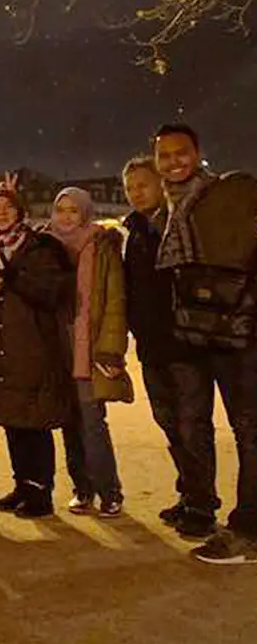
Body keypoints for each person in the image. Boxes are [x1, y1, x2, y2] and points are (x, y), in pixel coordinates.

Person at [153, 124, 257, 564]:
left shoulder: (224, 196)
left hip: (238, 332)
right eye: (166, 156)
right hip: (200, 332)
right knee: (209, 427)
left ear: (198, 153)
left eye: (182, 153)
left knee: (250, 431)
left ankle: (249, 532)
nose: (175, 162)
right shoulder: (174, 207)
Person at [0, 177, 76, 520]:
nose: (1, 212)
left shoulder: (37, 247)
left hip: (32, 345)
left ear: (21, 212)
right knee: (13, 420)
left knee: (33, 421)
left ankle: (41, 491)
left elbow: (52, 293)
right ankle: (23, 483)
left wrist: (16, 275)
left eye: (9, 206)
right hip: (0, 346)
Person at [46, 186, 132, 518]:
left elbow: (114, 300)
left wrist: (110, 350)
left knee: (93, 422)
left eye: (73, 210)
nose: (66, 216)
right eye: (60, 209)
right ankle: (82, 489)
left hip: (89, 345)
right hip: (57, 346)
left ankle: (109, 491)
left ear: (85, 213)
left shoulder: (101, 245)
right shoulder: (47, 245)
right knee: (69, 422)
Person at [121, 155, 193, 526]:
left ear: (160, 185)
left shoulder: (175, 224)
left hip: (182, 342)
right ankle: (189, 493)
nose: (136, 193)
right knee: (169, 421)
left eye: (143, 185)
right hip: (151, 343)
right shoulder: (134, 233)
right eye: (130, 188)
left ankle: (200, 504)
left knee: (191, 425)